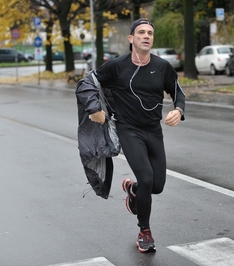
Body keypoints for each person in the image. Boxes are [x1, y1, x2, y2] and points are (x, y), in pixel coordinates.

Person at [76, 18, 185, 253]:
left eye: (150, 33)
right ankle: (144, 231)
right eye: (141, 33)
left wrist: (178, 109)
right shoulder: (116, 66)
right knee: (147, 178)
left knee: (157, 186)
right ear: (131, 38)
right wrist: (95, 108)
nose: (146, 36)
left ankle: (133, 190)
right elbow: (85, 83)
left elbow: (178, 92)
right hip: (128, 129)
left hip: (153, 130)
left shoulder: (163, 66)